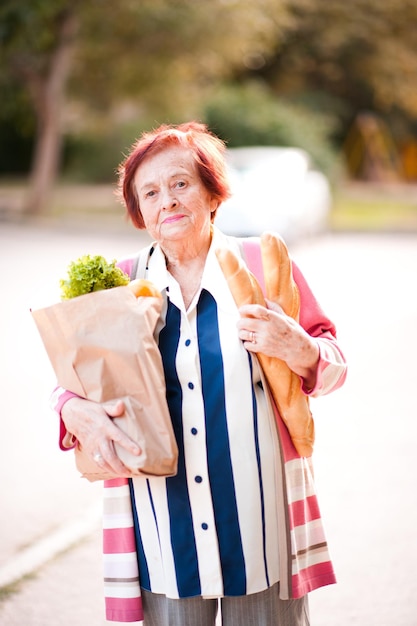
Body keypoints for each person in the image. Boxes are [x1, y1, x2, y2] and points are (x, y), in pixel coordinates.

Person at [53, 121, 347, 626]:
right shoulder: (119, 282)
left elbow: (333, 365)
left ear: (213, 193)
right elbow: (74, 380)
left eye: (180, 183)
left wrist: (300, 348)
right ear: (139, 211)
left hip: (260, 529)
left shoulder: (264, 262)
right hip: (163, 532)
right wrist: (71, 408)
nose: (166, 200)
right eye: (150, 192)